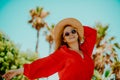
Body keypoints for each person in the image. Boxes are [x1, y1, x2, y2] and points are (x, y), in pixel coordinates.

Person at [2, 18, 97, 80]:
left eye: (73, 31)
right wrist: (18, 71)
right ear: (64, 39)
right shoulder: (63, 54)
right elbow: (43, 64)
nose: (71, 34)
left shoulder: (86, 50)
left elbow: (92, 33)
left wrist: (78, 27)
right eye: (67, 34)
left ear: (77, 33)